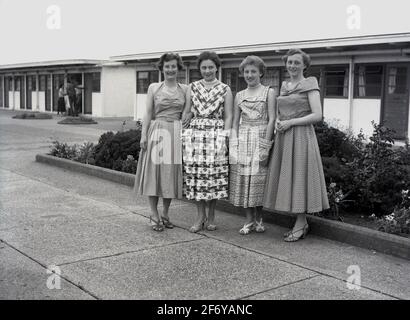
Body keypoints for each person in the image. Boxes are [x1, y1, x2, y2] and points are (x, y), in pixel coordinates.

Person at [263, 48, 329, 242]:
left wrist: (291, 122)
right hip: (285, 136)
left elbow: (317, 115)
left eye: (296, 62)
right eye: (290, 62)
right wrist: (278, 122)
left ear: (304, 65)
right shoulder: (285, 85)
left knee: (299, 175)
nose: (292, 65)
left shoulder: (310, 83)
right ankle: (301, 223)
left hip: (301, 136)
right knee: (289, 176)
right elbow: (282, 110)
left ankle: (301, 223)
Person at [134, 52, 188, 231]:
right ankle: (153, 213)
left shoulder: (185, 89)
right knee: (154, 174)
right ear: (162, 68)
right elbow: (148, 113)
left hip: (175, 133)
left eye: (173, 66)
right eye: (167, 66)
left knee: (169, 176)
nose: (170, 69)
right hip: (157, 132)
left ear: (178, 68)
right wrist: (143, 135)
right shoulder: (153, 88)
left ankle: (165, 212)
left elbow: (187, 113)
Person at [182, 51, 233, 233]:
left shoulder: (225, 88)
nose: (207, 70)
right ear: (200, 69)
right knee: (196, 177)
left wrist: (224, 138)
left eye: (211, 67)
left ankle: (211, 217)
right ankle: (199, 216)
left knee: (213, 177)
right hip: (195, 135)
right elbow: (187, 111)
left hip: (216, 134)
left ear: (217, 68)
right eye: (204, 67)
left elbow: (229, 116)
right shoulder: (192, 87)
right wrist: (185, 125)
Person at [229, 56, 276, 235]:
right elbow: (234, 121)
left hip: (261, 136)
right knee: (244, 180)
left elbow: (272, 119)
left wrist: (266, 145)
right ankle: (248, 220)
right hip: (243, 138)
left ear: (261, 73)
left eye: (253, 71)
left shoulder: (268, 92)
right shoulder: (239, 95)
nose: (249, 75)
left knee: (259, 179)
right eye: (247, 72)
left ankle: (259, 219)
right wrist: (233, 144)